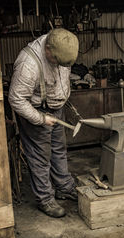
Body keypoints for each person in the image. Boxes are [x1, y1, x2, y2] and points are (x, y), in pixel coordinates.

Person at [9, 28, 79, 218]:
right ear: (47, 49)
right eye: (57, 61)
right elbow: (16, 99)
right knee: (40, 157)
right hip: (36, 111)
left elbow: (61, 74)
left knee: (58, 149)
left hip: (57, 108)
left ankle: (64, 187)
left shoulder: (64, 47)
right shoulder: (28, 64)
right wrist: (40, 118)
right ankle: (45, 199)